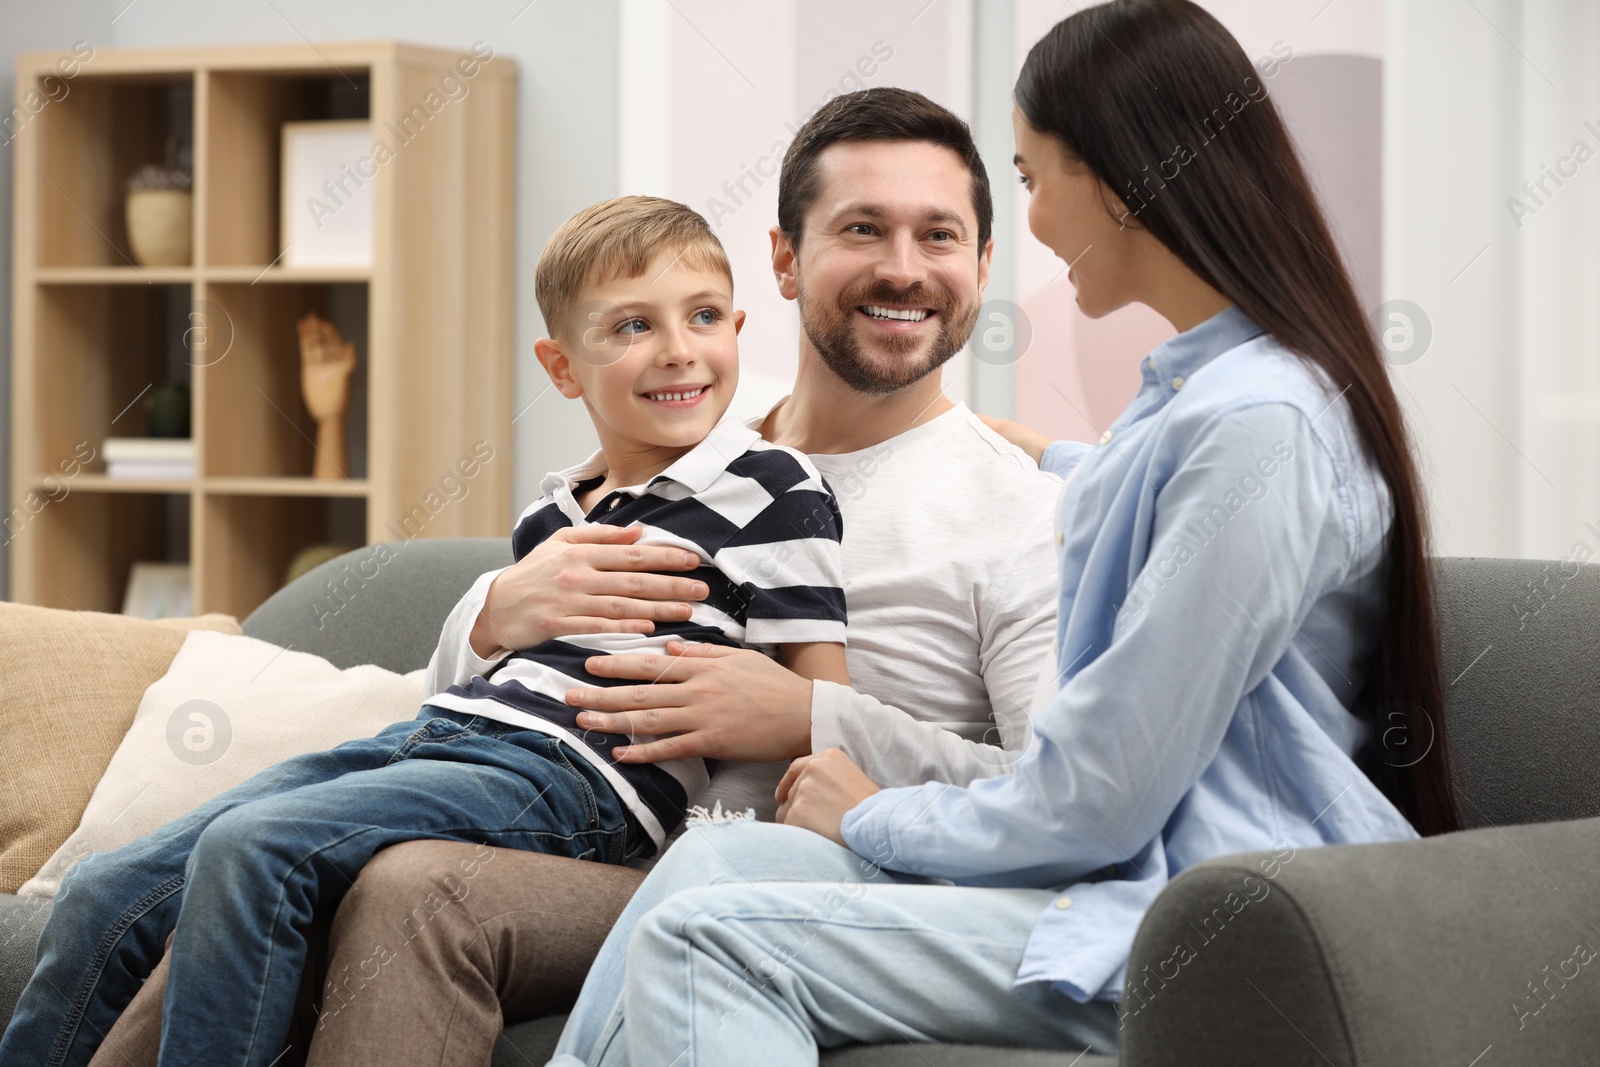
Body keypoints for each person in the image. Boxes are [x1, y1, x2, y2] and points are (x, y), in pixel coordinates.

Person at [541, 0, 1461, 1062]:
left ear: (1119, 175)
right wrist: (1045, 456)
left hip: (1211, 909)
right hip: (1150, 876)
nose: (1022, 227)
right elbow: (1167, 500)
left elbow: (1096, 797)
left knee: (708, 937)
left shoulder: (1257, 421)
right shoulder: (1199, 402)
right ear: (784, 260)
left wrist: (870, 809)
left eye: (1026, 179)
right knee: (701, 873)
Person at [82, 88, 1068, 1067]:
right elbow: (488, 707)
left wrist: (815, 720)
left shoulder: (1021, 511)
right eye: (863, 227)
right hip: (562, 802)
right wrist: (492, 607)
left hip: (754, 860)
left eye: (938, 235)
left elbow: (1062, 806)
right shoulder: (683, 426)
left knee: (406, 885)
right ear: (783, 258)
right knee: (221, 875)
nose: (903, 267)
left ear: (982, 263)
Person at [1, 194, 864, 1067]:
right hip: (443, 738)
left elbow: (822, 696)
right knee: (105, 889)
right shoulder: (552, 515)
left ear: (739, 327)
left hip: (577, 780)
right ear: (562, 367)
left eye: (704, 315)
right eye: (632, 325)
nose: (678, 347)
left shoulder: (770, 484)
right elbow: (468, 679)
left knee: (254, 848)